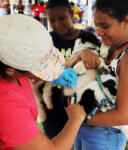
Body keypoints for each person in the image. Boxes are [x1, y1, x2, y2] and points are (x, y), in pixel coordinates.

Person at [66, 0, 128, 149]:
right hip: (83, 127)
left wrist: (78, 118)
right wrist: (82, 53)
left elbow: (124, 116)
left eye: (105, 26)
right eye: (96, 24)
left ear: (126, 21)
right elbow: (66, 68)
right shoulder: (106, 44)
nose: (99, 32)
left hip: (103, 135)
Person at [0, 14, 86, 150]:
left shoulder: (10, 65)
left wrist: (52, 75)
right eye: (39, 69)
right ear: (12, 72)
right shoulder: (6, 105)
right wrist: (76, 119)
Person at [42, 0, 99, 139]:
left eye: (62, 18)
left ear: (72, 14)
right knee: (54, 141)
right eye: (52, 20)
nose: (57, 24)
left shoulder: (87, 38)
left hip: (79, 104)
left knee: (77, 141)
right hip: (52, 106)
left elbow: (98, 68)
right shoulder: (46, 40)